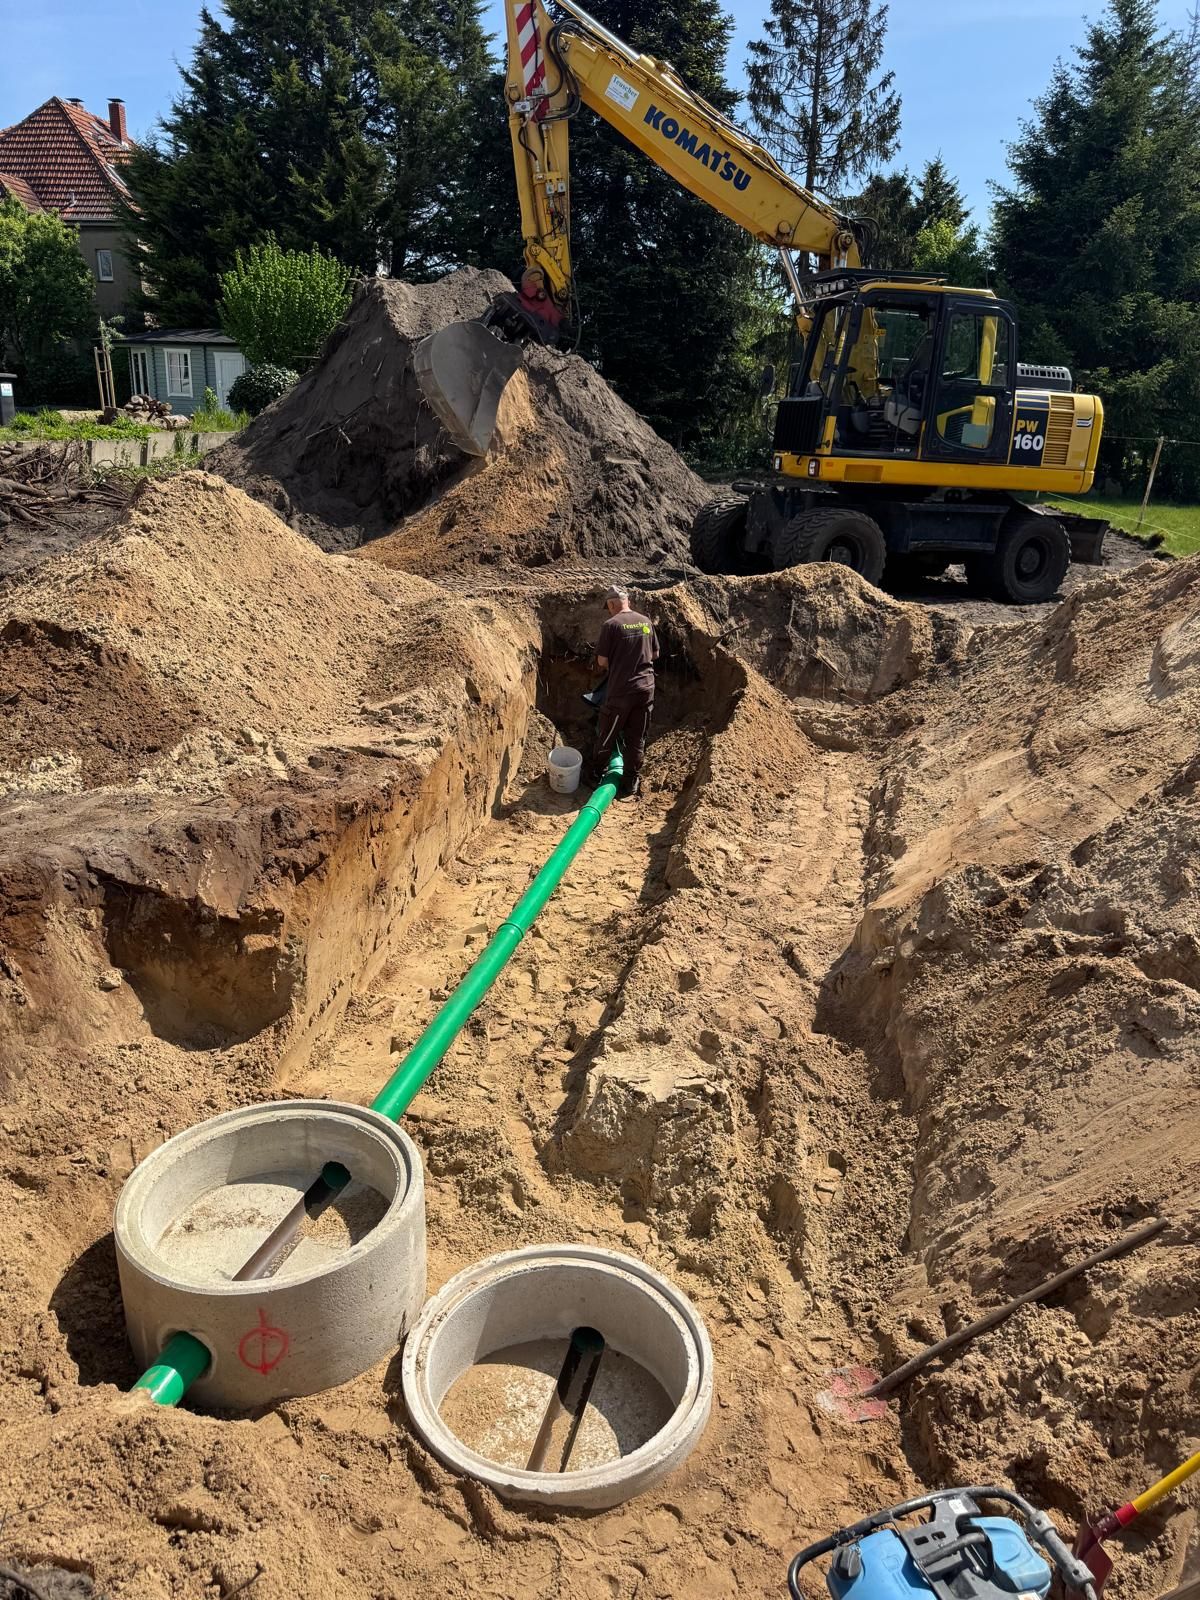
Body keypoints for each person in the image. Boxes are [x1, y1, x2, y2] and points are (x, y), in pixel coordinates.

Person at [592, 585, 658, 801]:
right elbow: (655, 653)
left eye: (608, 607)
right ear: (627, 600)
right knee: (637, 737)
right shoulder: (646, 621)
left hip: (621, 691)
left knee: (608, 733)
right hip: (646, 689)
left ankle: (595, 774)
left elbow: (602, 661)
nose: (609, 611)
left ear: (612, 604)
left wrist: (619, 661)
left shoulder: (611, 625)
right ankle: (630, 782)